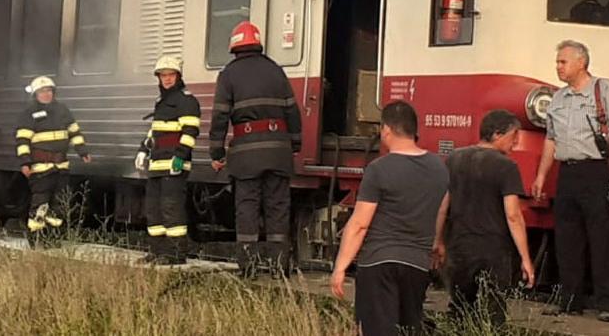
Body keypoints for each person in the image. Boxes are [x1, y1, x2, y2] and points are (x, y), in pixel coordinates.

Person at [531, 40, 609, 323]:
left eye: (563, 62)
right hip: (568, 172)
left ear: (581, 62)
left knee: (602, 237)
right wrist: (541, 176)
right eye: (557, 62)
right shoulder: (558, 98)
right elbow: (550, 140)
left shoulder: (604, 91)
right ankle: (569, 300)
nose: (558, 67)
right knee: (567, 239)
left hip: (597, 171)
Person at [330, 101, 449, 336]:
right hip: (417, 265)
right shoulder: (439, 167)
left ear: (386, 130)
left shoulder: (378, 169)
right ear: (414, 130)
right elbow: (441, 207)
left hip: (378, 264)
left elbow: (360, 224)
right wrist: (437, 241)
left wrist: (340, 267)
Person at [209, 21, 302, 276]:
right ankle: (278, 268)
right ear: (258, 43)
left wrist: (216, 153)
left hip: (247, 155)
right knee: (278, 208)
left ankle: (248, 267)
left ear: (234, 46)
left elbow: (219, 117)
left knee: (247, 208)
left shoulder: (228, 74)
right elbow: (292, 111)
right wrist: (294, 144)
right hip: (278, 151)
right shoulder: (276, 71)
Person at [436, 109, 535, 327]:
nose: (516, 142)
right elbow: (513, 215)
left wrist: (438, 241)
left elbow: (443, 205)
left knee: (460, 307)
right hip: (493, 249)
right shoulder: (506, 166)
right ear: (497, 134)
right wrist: (525, 258)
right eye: (513, 136)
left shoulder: (454, 159)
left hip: (459, 246)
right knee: (494, 310)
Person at [134, 55, 201, 265]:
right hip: (156, 165)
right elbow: (155, 131)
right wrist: (143, 150)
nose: (167, 79)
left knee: (171, 209)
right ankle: (157, 251)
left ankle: (176, 254)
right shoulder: (161, 102)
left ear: (178, 76)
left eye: (171, 74)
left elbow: (190, 131)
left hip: (174, 165)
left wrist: (180, 158)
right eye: (163, 75)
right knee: (153, 210)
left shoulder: (187, 101)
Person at [14, 76, 90, 239]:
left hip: (61, 166)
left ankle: (52, 238)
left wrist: (82, 151)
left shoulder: (62, 110)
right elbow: (22, 140)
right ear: (35, 94)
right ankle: (35, 238)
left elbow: (74, 132)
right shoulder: (29, 113)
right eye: (42, 91)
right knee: (40, 204)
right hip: (40, 167)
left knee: (59, 205)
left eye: (49, 91)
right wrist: (25, 162)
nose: (46, 94)